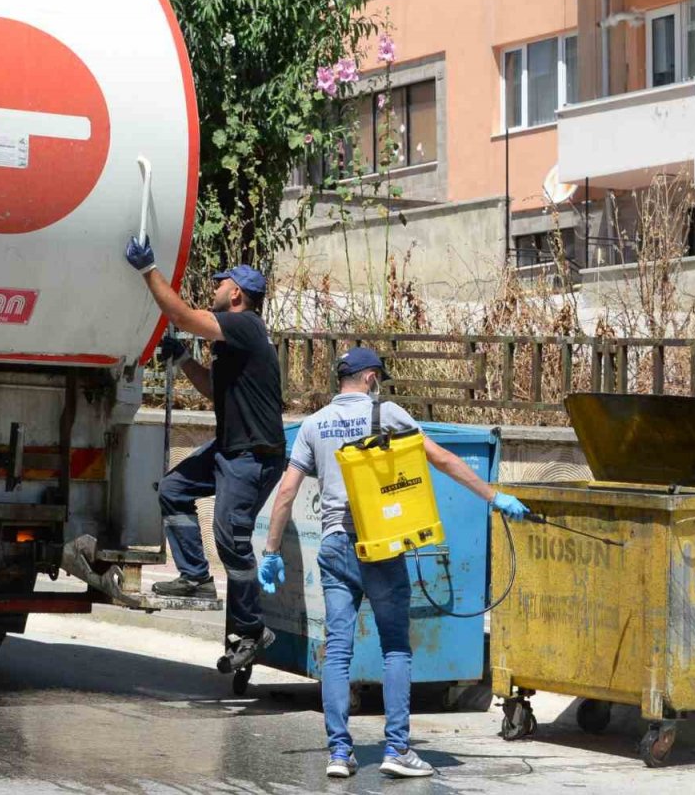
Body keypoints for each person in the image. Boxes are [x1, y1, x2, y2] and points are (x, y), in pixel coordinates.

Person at [258, 347, 530, 779]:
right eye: (378, 379)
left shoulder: (314, 425)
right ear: (369, 378)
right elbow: (442, 458)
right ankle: (398, 749)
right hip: (380, 547)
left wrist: (272, 552)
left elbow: (287, 492)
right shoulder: (387, 414)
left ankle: (339, 753)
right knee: (396, 646)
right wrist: (494, 496)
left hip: (334, 545)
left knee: (338, 650)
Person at [124, 235, 284, 669]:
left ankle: (251, 630)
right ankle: (196, 576)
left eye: (220, 283)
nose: (214, 287)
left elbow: (182, 316)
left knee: (231, 540)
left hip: (252, 456)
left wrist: (148, 271)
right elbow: (215, 390)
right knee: (173, 489)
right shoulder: (234, 340)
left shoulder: (245, 325)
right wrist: (182, 361)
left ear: (236, 294)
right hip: (231, 449)